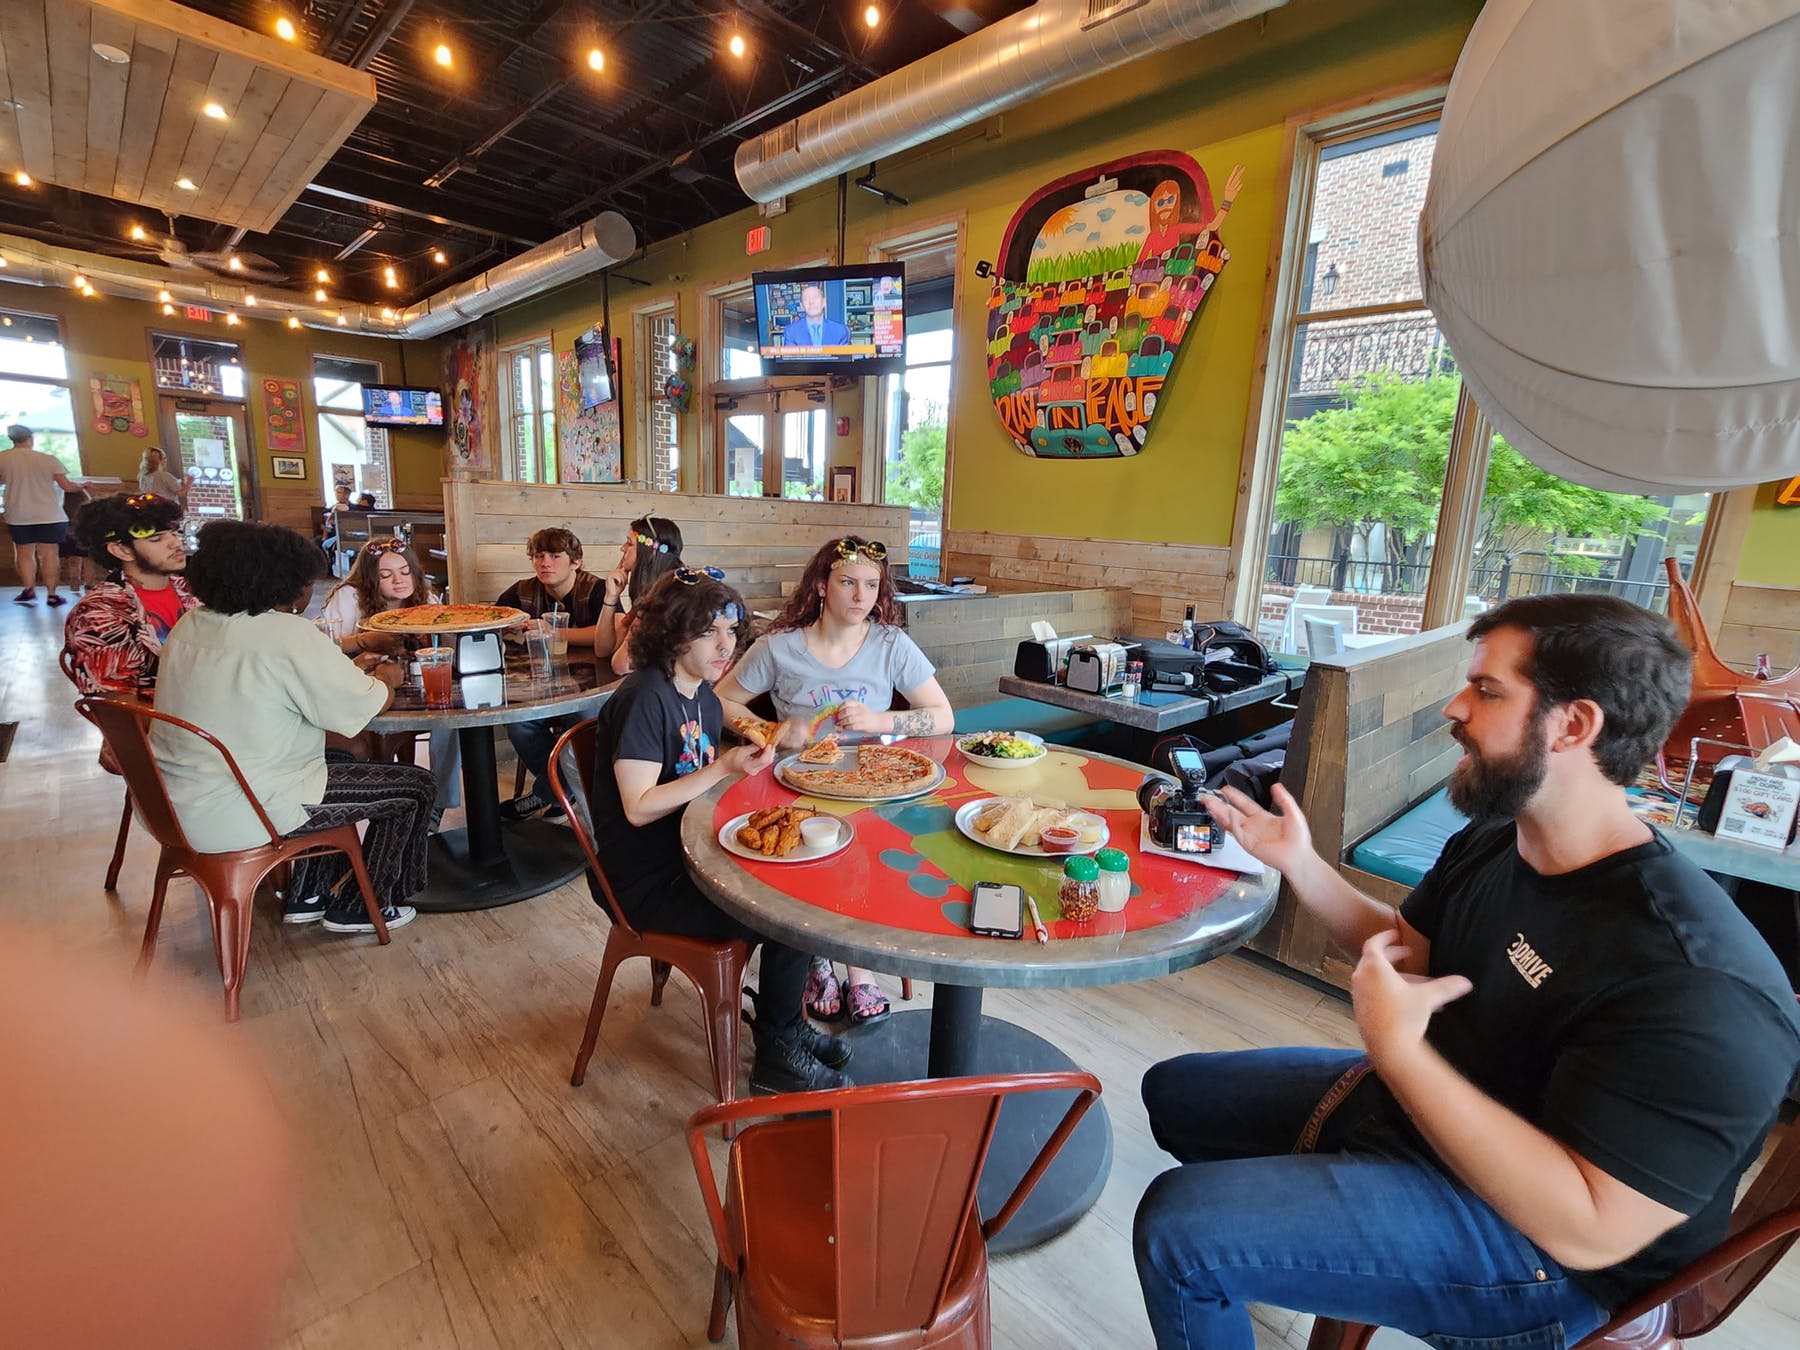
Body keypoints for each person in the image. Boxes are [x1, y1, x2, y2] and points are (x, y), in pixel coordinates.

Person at [1132, 594, 1800, 1350]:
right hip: (1434, 1116)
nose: (1455, 706)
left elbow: (1585, 1229)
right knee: (1173, 1097)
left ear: (1574, 726)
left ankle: (1243, 1258)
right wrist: (1300, 864)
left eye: (1487, 690)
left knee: (1179, 1232)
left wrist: (1399, 1053)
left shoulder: (1698, 985)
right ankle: (1289, 1252)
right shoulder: (1498, 838)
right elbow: (1407, 950)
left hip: (1549, 1257)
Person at [588, 567, 851, 1092]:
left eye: (731, 630)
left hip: (688, 855)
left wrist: (752, 758)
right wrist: (725, 767)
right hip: (645, 881)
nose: (725, 645)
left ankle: (785, 1026)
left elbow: (703, 775)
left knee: (801, 879)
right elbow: (638, 808)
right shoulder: (644, 697)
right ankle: (777, 1052)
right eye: (708, 631)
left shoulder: (702, 696)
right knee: (789, 911)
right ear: (671, 630)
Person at [715, 535, 955, 1026]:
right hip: (794, 789)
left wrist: (880, 721)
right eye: (848, 583)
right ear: (822, 586)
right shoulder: (778, 647)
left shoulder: (891, 644)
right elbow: (720, 701)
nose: (861, 596)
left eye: (871, 585)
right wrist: (772, 730)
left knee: (870, 848)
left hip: (873, 786)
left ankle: (856, 966)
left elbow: (943, 716)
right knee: (817, 851)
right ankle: (817, 956)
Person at [152, 520, 431, 933]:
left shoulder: (191, 623)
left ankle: (309, 893)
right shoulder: (285, 633)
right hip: (245, 807)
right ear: (282, 582)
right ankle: (363, 907)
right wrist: (387, 678)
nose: (308, 590)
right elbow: (364, 705)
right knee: (415, 786)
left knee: (336, 758)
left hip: (172, 802)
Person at [317, 537, 462, 819]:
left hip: (417, 684)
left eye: (405, 572)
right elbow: (324, 645)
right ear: (370, 579)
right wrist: (365, 641)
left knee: (450, 717)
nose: (399, 580)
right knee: (380, 734)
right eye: (386, 575)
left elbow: (446, 643)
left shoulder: (426, 599)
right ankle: (389, 808)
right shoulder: (349, 596)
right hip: (366, 687)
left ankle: (438, 804)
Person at [496, 527, 606, 821]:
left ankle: (548, 794)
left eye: (555, 556)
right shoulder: (521, 591)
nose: (545, 563)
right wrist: (507, 629)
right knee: (518, 724)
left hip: (591, 687)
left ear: (575, 562)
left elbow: (610, 633)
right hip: (539, 686)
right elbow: (493, 624)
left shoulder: (596, 589)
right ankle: (562, 793)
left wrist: (554, 632)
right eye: (538, 556)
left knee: (582, 720)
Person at [63, 492, 196, 696]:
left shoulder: (190, 589)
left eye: (175, 533)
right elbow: (116, 705)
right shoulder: (99, 613)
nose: (176, 543)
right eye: (156, 539)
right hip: (163, 714)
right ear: (122, 550)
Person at [0, 422, 83, 606]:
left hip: (18, 513)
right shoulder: (48, 459)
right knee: (49, 554)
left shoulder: (2, 458)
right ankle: (52, 594)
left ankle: (29, 590)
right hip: (50, 514)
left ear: (12, 439)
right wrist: (81, 486)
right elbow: (67, 486)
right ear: (31, 438)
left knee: (24, 553)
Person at [592, 514, 684, 676]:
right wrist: (611, 598)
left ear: (650, 552)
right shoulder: (649, 592)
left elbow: (621, 665)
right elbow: (603, 650)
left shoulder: (668, 595)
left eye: (629, 543)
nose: (622, 549)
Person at [780, 284, 851, 347]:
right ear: (802, 306)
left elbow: (844, 357)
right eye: (806, 299)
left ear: (824, 302)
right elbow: (791, 357)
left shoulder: (841, 331)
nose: (811, 302)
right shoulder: (791, 331)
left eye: (815, 297)